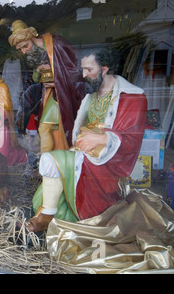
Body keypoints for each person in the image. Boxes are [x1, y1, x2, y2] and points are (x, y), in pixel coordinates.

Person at [27, 48, 148, 233]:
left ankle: (46, 216)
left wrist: (102, 138)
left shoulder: (131, 98)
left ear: (105, 68)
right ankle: (50, 216)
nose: (84, 75)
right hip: (84, 155)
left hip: (108, 164)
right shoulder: (90, 97)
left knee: (52, 159)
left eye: (89, 70)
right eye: (82, 69)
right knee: (52, 162)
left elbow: (133, 140)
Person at [8, 20, 86, 154]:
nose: (24, 51)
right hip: (51, 96)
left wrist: (57, 82)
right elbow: (36, 79)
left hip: (63, 97)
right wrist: (38, 70)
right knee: (46, 128)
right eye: (20, 49)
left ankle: (53, 160)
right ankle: (49, 161)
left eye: (25, 46)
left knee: (56, 129)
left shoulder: (57, 45)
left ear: (32, 38)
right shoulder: (37, 54)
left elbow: (75, 73)